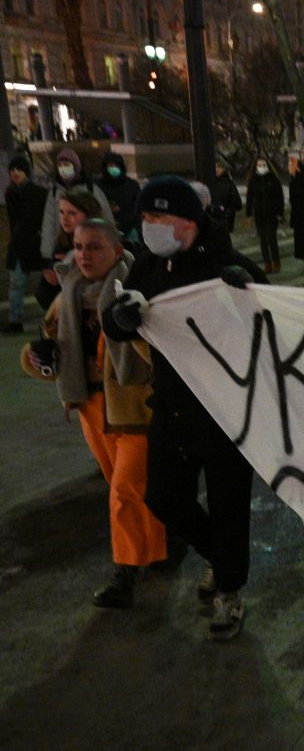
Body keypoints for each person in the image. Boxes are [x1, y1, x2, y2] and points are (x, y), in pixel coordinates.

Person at [103, 176, 268, 642]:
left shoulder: (228, 264)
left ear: (188, 221)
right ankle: (219, 556)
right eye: (145, 218)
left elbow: (270, 318)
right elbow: (118, 320)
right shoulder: (150, 268)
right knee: (163, 496)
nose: (150, 227)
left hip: (226, 412)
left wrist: (249, 292)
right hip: (173, 407)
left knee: (229, 504)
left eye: (159, 217)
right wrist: (119, 319)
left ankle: (229, 593)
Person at [20, 218, 166, 607]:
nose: (84, 254)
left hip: (135, 410)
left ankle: (126, 574)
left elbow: (162, 354)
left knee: (123, 492)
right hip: (90, 407)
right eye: (79, 246)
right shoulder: (67, 295)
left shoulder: (135, 293)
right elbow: (42, 354)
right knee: (134, 491)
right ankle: (163, 546)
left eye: (95, 247)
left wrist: (130, 328)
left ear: (117, 252)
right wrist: (39, 356)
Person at [35, 187, 110, 311]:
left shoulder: (104, 241)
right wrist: (50, 283)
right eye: (61, 212)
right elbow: (48, 301)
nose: (64, 218)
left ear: (88, 214)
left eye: (72, 213)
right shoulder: (62, 244)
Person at [39, 147, 113, 261]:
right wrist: (47, 253)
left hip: (89, 242)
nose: (63, 168)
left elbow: (105, 217)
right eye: (60, 165)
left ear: (76, 166)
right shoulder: (55, 191)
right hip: (62, 243)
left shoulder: (91, 189)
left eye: (67, 165)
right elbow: (49, 221)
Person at [4, 155, 48, 333]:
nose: (15, 173)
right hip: (19, 246)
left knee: (47, 282)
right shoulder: (10, 193)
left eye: (19, 170)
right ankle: (15, 320)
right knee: (16, 283)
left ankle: (53, 319)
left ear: (27, 172)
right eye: (12, 170)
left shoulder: (39, 193)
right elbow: (14, 222)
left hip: (36, 244)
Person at [245, 157, 285, 274]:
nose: (261, 167)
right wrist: (248, 214)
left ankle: (276, 262)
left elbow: (279, 196)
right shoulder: (253, 179)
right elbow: (250, 197)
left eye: (263, 164)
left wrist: (280, 212)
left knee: (271, 237)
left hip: (271, 213)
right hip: (259, 214)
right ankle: (267, 263)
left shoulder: (273, 178)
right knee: (263, 239)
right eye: (259, 165)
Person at [97, 152, 141, 237]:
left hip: (129, 229)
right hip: (104, 230)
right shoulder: (98, 186)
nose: (114, 168)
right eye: (110, 165)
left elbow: (138, 207)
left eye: (116, 165)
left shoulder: (132, 185)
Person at [209, 160, 243, 236]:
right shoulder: (209, 182)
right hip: (211, 220)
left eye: (219, 167)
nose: (216, 169)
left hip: (224, 221)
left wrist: (226, 212)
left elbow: (236, 203)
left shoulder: (228, 184)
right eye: (215, 167)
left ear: (224, 169)